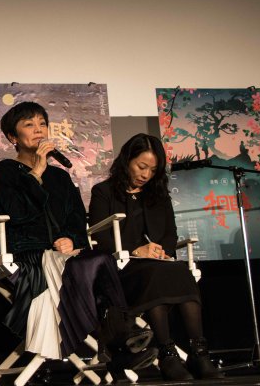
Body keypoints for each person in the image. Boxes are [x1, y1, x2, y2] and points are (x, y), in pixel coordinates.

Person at [0, 102, 157, 375]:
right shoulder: (5, 171)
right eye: (29, 125)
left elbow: (77, 218)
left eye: (42, 124)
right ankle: (120, 346)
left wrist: (71, 238)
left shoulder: (60, 176)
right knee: (97, 264)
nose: (38, 130)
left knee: (100, 261)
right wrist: (36, 173)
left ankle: (118, 347)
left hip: (66, 255)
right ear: (12, 137)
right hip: (30, 254)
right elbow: (16, 213)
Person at [88, 133, 224, 380]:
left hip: (156, 264)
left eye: (152, 170)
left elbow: (170, 235)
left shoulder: (158, 195)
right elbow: (99, 237)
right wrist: (135, 250)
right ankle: (167, 354)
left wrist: (162, 251)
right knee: (155, 273)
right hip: (120, 268)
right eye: (141, 166)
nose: (146, 175)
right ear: (127, 160)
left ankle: (198, 353)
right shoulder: (103, 192)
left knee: (179, 269)